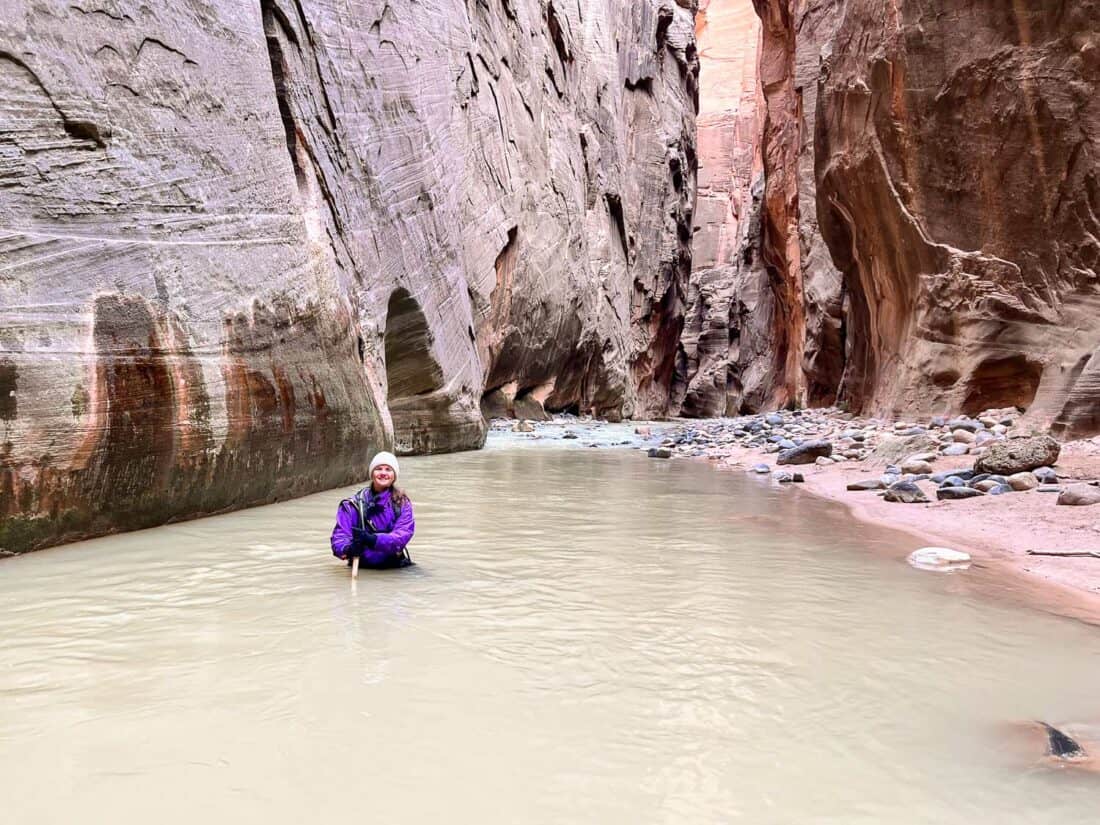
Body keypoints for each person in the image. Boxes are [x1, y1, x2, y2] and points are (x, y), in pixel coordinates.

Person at [331, 451, 415, 569]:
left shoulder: (402, 503)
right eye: (379, 469)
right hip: (361, 566)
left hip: (394, 567)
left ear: (394, 476)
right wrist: (348, 549)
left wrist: (373, 540)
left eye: (388, 469)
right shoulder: (351, 505)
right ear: (372, 473)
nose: (383, 473)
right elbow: (339, 537)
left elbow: (402, 536)